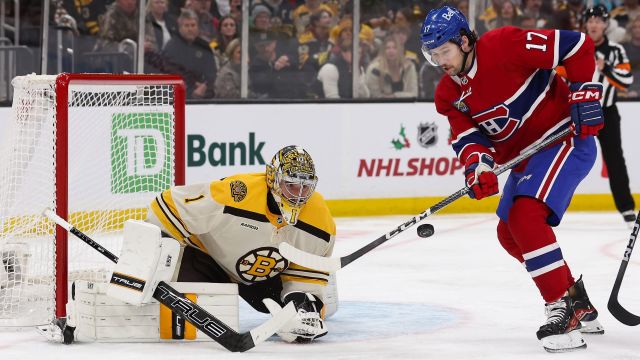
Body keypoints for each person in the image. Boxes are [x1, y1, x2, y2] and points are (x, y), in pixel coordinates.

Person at [421, 5, 605, 352]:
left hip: (564, 137)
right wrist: (478, 167)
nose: (440, 61)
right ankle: (575, 299)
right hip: (527, 158)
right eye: (433, 55)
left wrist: (584, 92)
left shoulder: (504, 45)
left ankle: (561, 309)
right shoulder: (448, 94)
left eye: (443, 51)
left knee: (524, 217)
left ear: (464, 41)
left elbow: (577, 46)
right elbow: (468, 139)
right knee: (509, 234)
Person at [145, 145, 335, 343]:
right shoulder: (237, 193)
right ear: (272, 178)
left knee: (301, 312)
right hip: (209, 260)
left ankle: (325, 292)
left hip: (263, 280)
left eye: (306, 186)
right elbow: (167, 205)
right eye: (292, 184)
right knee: (181, 322)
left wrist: (302, 309)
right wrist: (158, 256)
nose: (299, 194)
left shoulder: (320, 220)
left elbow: (304, 281)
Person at [583, 5, 636, 226]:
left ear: (605, 24)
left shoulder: (615, 50)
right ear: (586, 23)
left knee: (615, 160)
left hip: (607, 112)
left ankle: (626, 208)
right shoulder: (577, 46)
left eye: (598, 20)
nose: (594, 24)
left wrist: (607, 69)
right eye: (591, 20)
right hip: (579, 112)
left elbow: (627, 80)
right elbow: (561, 78)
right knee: (565, 158)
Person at [162, 9, 217, 99]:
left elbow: (211, 73)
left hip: (205, 97)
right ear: (180, 27)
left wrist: (205, 87)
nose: (190, 29)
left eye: (193, 25)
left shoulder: (204, 46)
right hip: (178, 97)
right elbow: (170, 76)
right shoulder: (171, 47)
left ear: (198, 27)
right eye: (186, 26)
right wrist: (191, 92)